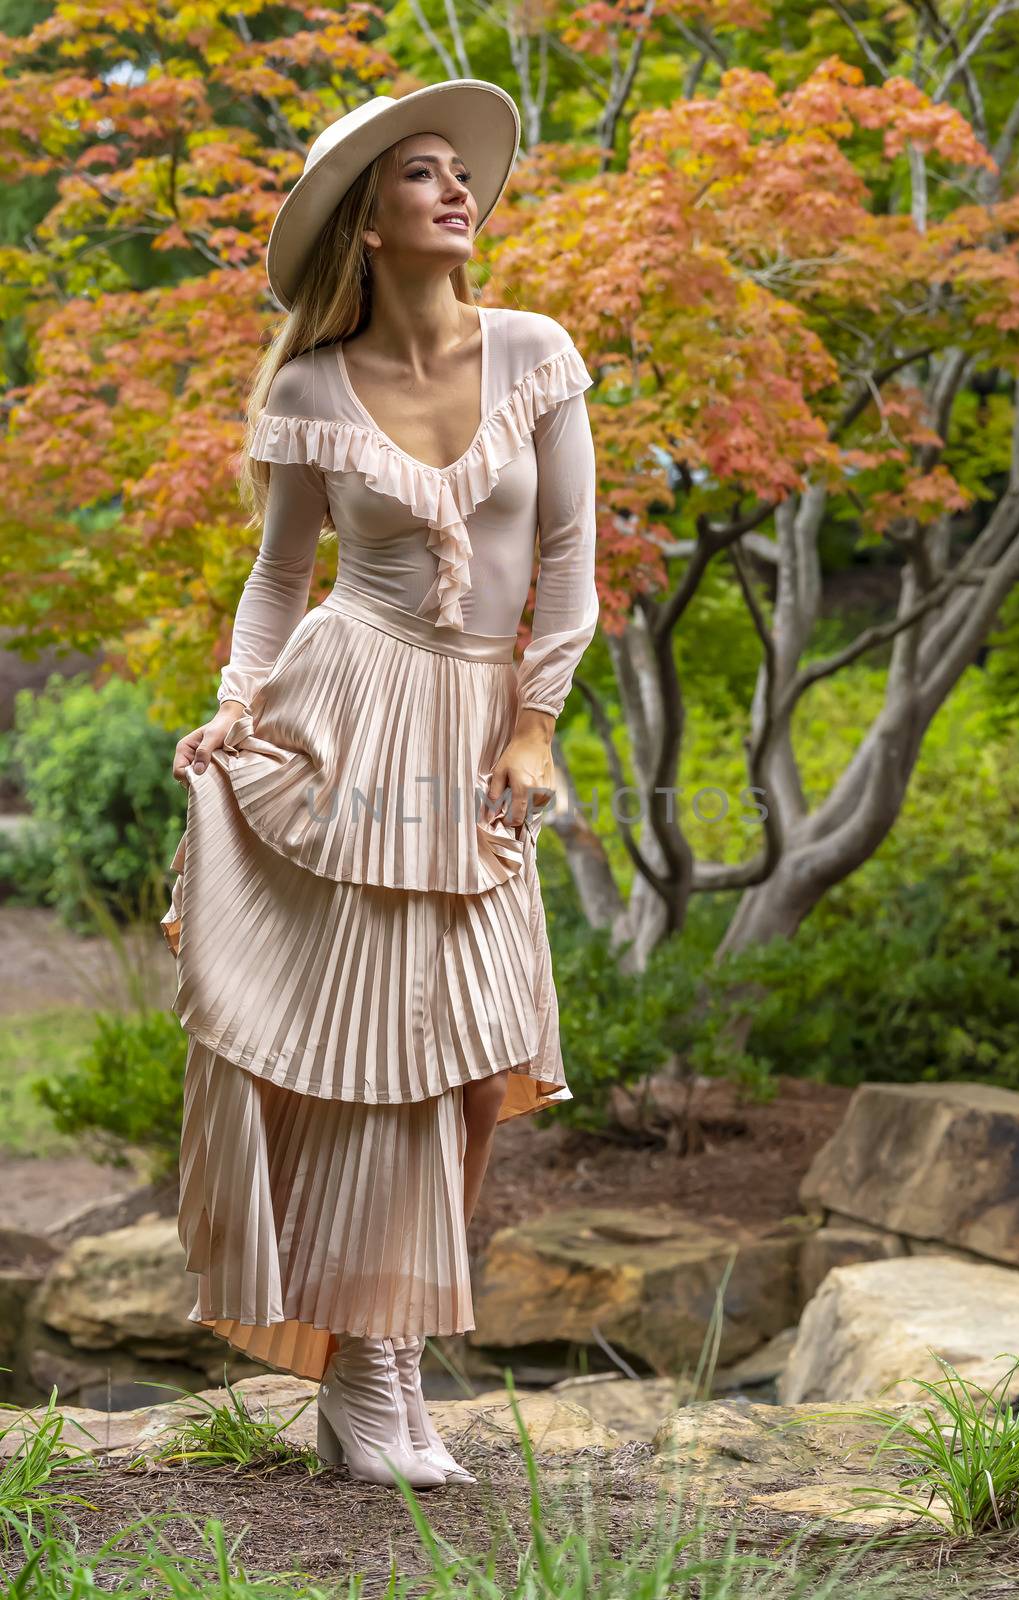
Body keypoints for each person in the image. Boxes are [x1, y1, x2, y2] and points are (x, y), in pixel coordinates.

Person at [160, 78, 599, 1491]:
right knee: (372, 1068)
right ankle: (374, 1377)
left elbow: (571, 571)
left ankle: (385, 1358)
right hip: (348, 716)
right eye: (422, 175)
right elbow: (281, 581)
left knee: (477, 1062)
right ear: (371, 218)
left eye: (460, 174)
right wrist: (237, 715)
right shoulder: (309, 387)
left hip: (476, 731)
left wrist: (535, 728)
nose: (458, 190)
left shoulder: (536, 352)